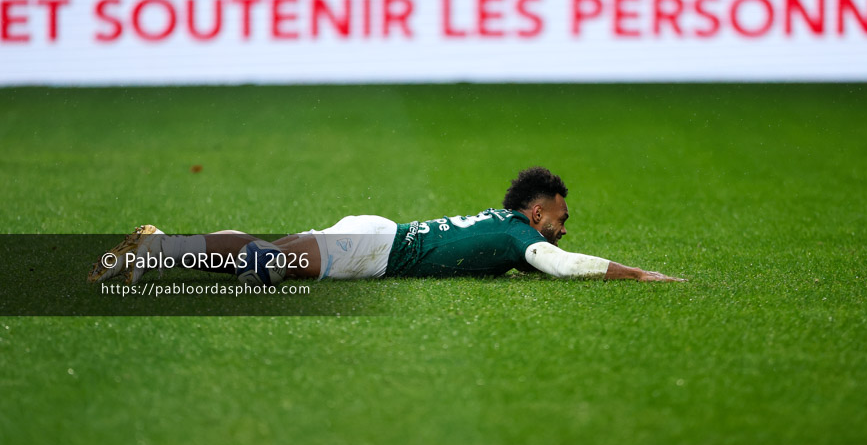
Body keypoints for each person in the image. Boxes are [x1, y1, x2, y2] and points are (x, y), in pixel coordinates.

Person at [88, 167, 686, 284]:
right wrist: (634, 274)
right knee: (265, 265)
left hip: (380, 234)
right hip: (377, 249)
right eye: (561, 216)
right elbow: (557, 265)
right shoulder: (519, 236)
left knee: (267, 254)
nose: (563, 227)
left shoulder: (506, 225)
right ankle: (158, 250)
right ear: (538, 211)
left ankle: (159, 247)